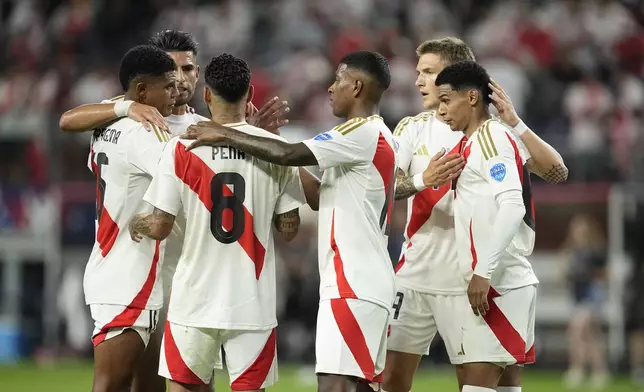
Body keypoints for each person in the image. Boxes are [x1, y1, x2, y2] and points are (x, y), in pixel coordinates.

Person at [181, 51, 446, 392]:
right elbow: (321, 195)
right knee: (361, 386)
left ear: (358, 86)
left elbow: (288, 154)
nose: (331, 88)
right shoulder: (380, 136)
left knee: (333, 385)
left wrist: (226, 134)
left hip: (352, 282)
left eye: (339, 79)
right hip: (366, 281)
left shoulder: (359, 133)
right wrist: (270, 142)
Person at [60, 29, 288, 391]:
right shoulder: (149, 127)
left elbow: (70, 121)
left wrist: (242, 132)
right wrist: (251, 138)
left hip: (184, 275)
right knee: (146, 380)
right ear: (149, 81)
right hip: (144, 268)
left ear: (200, 76)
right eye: (171, 73)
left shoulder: (180, 124)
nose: (179, 81)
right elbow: (202, 174)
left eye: (187, 69)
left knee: (178, 381)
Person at [383, 37, 568, 392]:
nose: (419, 81)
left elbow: (557, 173)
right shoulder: (413, 127)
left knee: (478, 382)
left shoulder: (489, 131)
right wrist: (425, 179)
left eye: (429, 72)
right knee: (389, 377)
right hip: (417, 271)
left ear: (454, 77)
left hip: (469, 277)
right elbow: (383, 186)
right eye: (419, 73)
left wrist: (516, 121)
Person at [128, 53, 306, 392]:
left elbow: (160, 227)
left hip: (193, 303)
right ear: (250, 94)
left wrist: (137, 223)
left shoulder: (181, 149)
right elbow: (289, 229)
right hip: (252, 305)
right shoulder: (276, 149)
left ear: (206, 95)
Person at [434, 60, 540, 392]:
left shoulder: (491, 137)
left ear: (471, 98)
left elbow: (512, 205)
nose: (441, 110)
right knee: (506, 387)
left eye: (446, 99)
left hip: (499, 284)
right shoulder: (469, 143)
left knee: (476, 386)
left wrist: (483, 270)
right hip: (501, 282)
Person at [85, 44, 178, 392]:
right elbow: (183, 181)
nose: (175, 92)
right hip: (128, 278)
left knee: (149, 387)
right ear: (142, 91)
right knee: (111, 385)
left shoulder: (105, 124)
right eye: (166, 85)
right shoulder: (144, 133)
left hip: (116, 268)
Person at [562, 214, 609, 389]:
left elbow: (603, 275)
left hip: (591, 296)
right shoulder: (571, 251)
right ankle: (599, 371)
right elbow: (565, 274)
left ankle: (577, 369)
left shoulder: (595, 251)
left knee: (577, 330)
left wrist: (588, 274)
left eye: (581, 229)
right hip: (577, 296)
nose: (578, 232)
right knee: (589, 337)